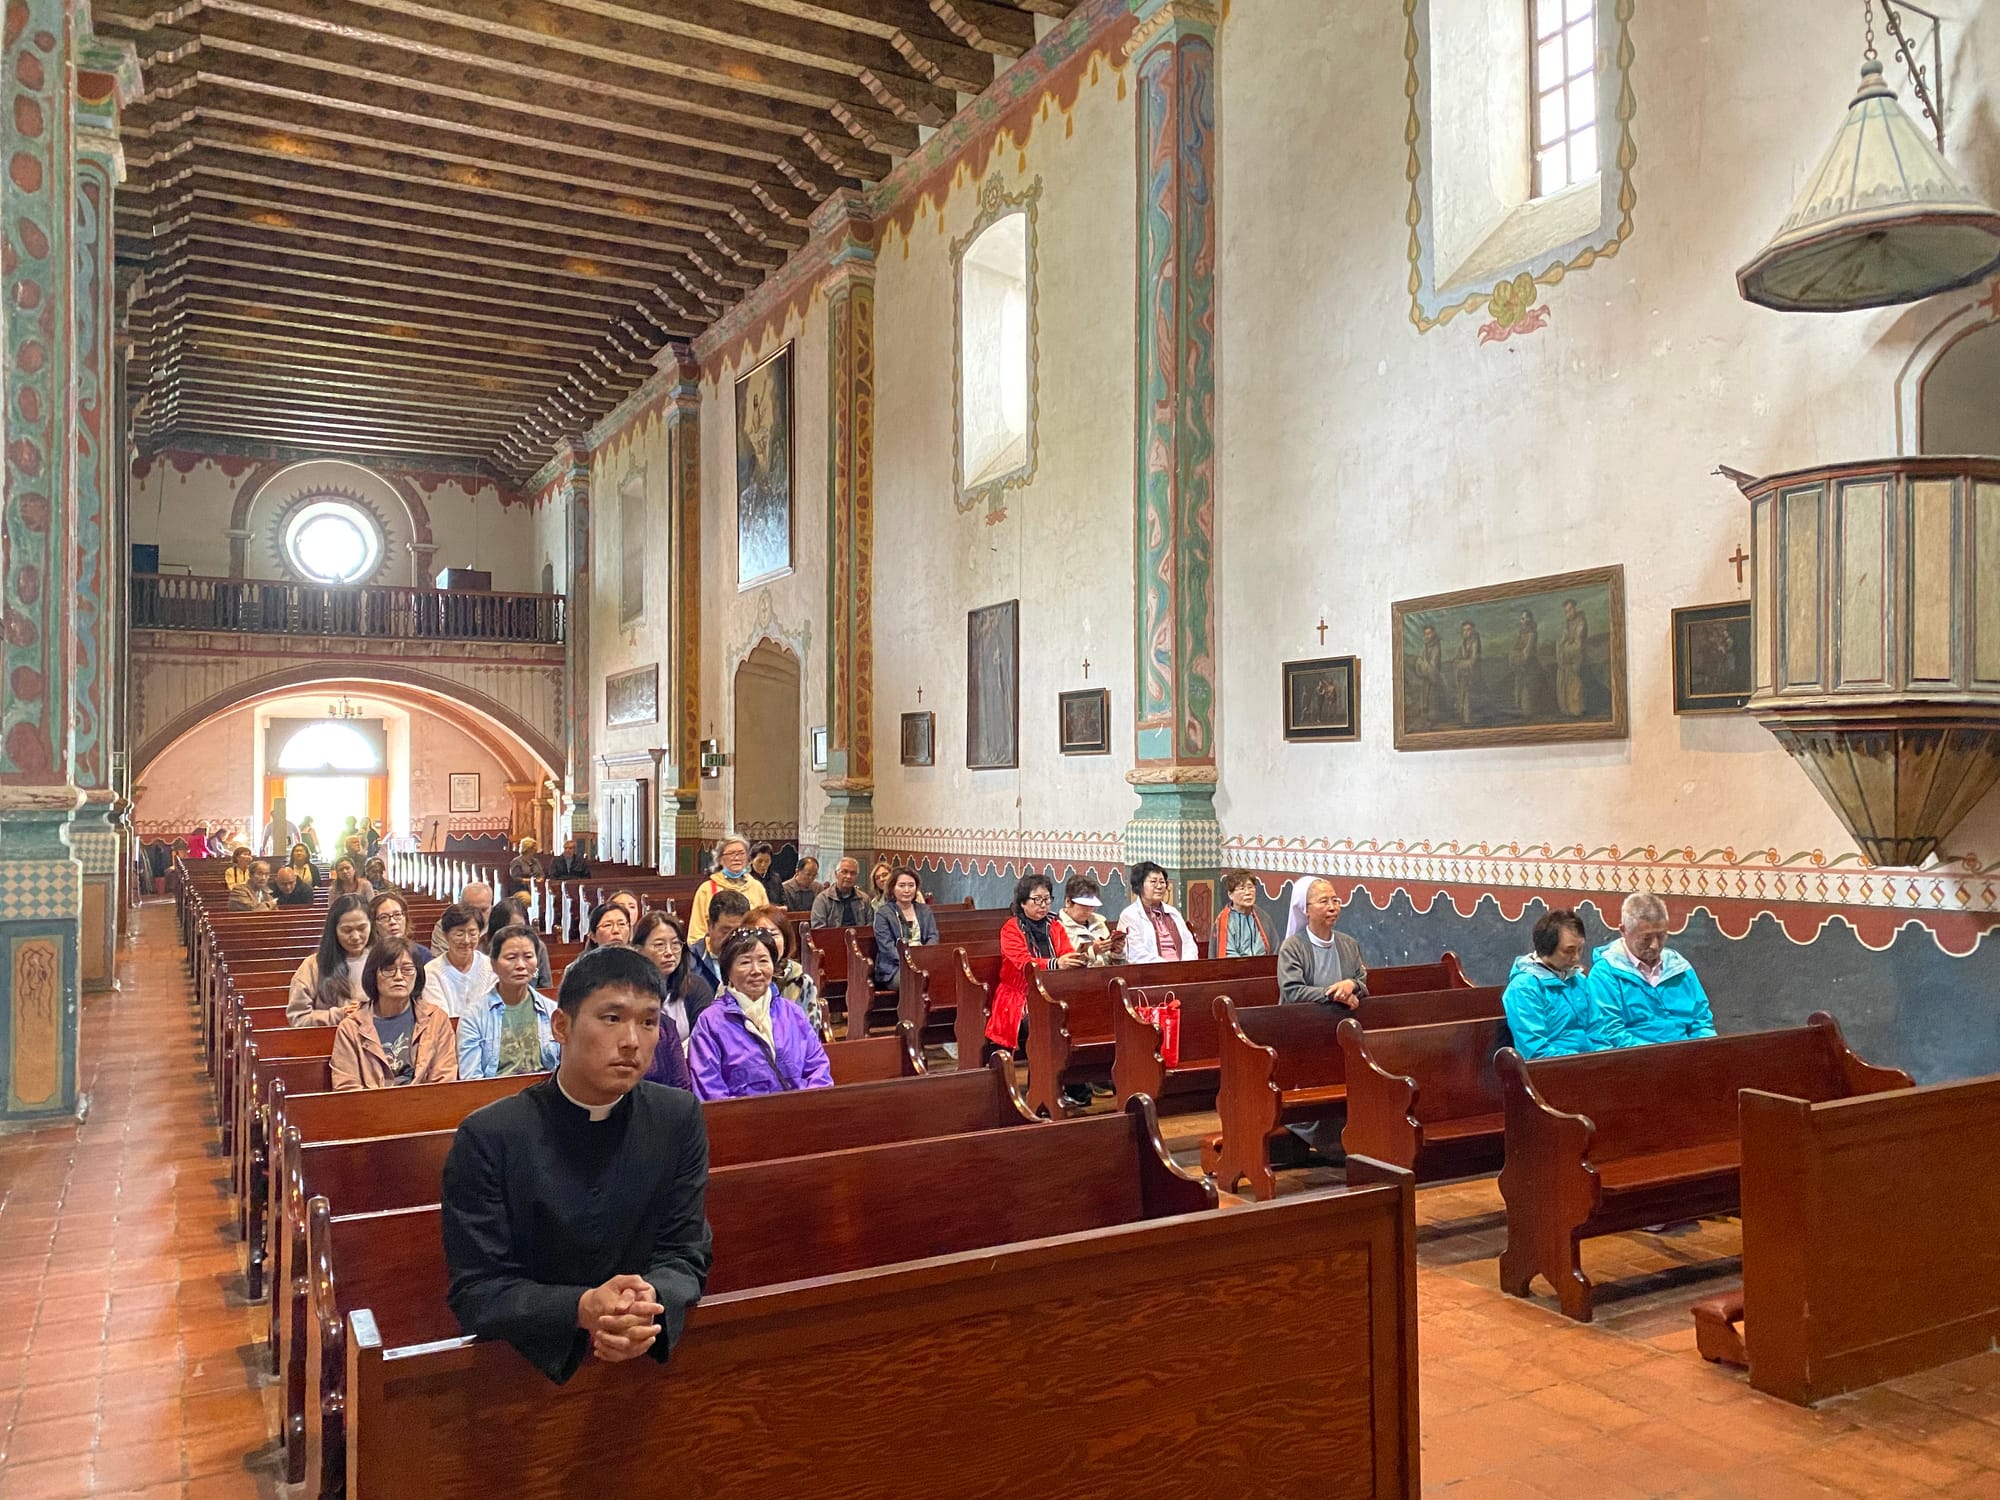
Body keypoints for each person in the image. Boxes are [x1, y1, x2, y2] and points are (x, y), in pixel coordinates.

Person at [440, 945, 713, 1384]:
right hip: (523, 1375)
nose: (632, 1040)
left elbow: (685, 1251)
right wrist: (581, 1308)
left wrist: (648, 1302)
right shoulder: (491, 1136)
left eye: (648, 1021)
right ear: (561, 1025)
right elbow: (479, 1291)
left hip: (648, 1356)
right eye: (611, 1017)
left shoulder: (676, 1117)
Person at [688, 929, 833, 1100]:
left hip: (801, 1116)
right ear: (728, 971)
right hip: (741, 1121)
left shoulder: (792, 1013)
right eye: (745, 962)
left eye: (763, 961)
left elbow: (818, 1069)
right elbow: (709, 1089)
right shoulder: (710, 1022)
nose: (756, 970)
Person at [1584, 892, 1715, 1049]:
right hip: (1636, 1060)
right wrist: (1660, 1056)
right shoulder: (1606, 973)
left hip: (1687, 1056)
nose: (1654, 945)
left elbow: (1701, 1021)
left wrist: (1705, 1049)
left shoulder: (1679, 967)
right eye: (1646, 938)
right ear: (1623, 930)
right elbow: (1611, 1033)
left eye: (1661, 936)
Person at [984, 873, 1085, 1070]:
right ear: (1022, 902)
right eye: (1037, 900)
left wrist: (1078, 959)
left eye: (1047, 900)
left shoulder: (1055, 925)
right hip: (1019, 996)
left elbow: (1066, 953)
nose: (1043, 905)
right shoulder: (1011, 928)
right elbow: (1023, 963)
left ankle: (1074, 1082)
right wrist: (1056, 964)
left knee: (1079, 1019)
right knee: (1043, 1025)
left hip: (1053, 992)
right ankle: (1043, 1083)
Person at [330, 937, 458, 1091]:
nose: (398, 977)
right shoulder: (351, 1028)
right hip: (371, 1111)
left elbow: (444, 1081)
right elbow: (347, 1089)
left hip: (426, 1109)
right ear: (373, 975)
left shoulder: (436, 1019)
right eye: (389, 970)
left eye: (407, 969)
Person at [459, 925, 561, 1080]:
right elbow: (471, 1079)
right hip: (496, 1098)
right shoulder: (474, 1016)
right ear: (493, 964)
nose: (520, 965)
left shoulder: (552, 1010)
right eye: (511, 958)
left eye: (528, 956)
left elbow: (565, 1066)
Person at [1502, 908, 1597, 1059]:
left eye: (1580, 949)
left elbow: (1598, 1030)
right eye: (1569, 951)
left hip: (1590, 1063)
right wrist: (1587, 1061)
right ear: (1547, 947)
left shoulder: (1579, 980)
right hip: (1554, 1070)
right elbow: (1535, 1051)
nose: (1576, 958)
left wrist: (1607, 1058)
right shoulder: (1524, 988)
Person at [633, 911, 708, 1087]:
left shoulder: (695, 987)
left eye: (675, 944)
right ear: (639, 949)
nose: (669, 952)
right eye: (659, 945)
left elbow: (704, 1039)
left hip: (691, 1071)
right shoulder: (629, 993)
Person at [1276, 879, 1368, 1008]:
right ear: (1305, 909)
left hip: (1345, 1019)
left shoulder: (1349, 944)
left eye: (1335, 901)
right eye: (1324, 901)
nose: (1332, 908)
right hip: (1303, 1020)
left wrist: (1351, 984)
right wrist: (1332, 994)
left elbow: (1361, 980)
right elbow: (1293, 991)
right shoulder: (1292, 947)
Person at [287, 894, 375, 1026]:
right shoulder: (314, 965)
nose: (356, 937)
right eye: (347, 930)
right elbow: (298, 1018)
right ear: (334, 930)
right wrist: (339, 1015)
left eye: (362, 928)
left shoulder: (381, 959)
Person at [747, 905, 826, 1040]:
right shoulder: (736, 981)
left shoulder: (802, 981)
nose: (769, 940)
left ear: (785, 939)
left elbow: (809, 1035)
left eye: (774, 934)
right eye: (761, 933)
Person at [685, 837, 768, 945]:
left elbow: (766, 924)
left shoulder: (757, 887)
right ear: (720, 859)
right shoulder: (706, 889)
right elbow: (696, 935)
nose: (736, 858)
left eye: (741, 853)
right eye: (731, 853)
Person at [1116, 862, 1198, 964]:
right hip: (1150, 973)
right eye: (1153, 882)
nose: (1159, 886)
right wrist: (1167, 968)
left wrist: (1185, 966)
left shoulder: (1173, 913)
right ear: (1140, 885)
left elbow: (1189, 945)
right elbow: (1136, 954)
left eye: (1162, 882)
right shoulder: (1130, 915)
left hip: (1182, 971)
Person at [427, 902, 497, 1021]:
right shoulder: (431, 972)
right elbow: (439, 1019)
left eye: (472, 933)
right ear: (445, 935)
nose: (466, 940)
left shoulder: (492, 967)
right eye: (459, 934)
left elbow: (494, 1012)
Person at [871, 867, 937, 990]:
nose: (907, 890)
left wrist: (924, 957)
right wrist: (910, 961)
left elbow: (932, 936)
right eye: (901, 885)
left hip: (923, 961)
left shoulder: (924, 910)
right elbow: (886, 946)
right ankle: (911, 1009)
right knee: (916, 980)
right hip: (895, 967)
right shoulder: (883, 913)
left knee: (940, 977)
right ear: (892, 888)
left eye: (911, 885)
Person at [688, 889, 749, 993]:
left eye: (738, 931)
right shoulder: (689, 961)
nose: (732, 938)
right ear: (710, 925)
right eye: (725, 931)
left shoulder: (753, 961)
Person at [1056, 874, 1122, 967]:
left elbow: (1112, 961)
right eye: (1083, 905)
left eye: (1091, 906)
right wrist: (1093, 952)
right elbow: (1068, 963)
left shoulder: (1099, 922)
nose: (1088, 910)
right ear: (1068, 901)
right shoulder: (1057, 926)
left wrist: (1116, 951)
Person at [369, 891, 434, 968]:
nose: (393, 922)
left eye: (397, 915)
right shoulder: (368, 955)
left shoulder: (422, 954)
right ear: (374, 923)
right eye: (384, 917)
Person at [1216, 870, 1273, 958]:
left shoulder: (1263, 917)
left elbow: (1274, 949)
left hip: (1263, 968)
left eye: (1250, 887)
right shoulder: (1223, 921)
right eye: (1242, 889)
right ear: (1230, 894)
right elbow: (1227, 956)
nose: (1248, 893)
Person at [809, 856, 872, 929]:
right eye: (844, 872)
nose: (848, 876)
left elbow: (870, 926)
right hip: (832, 939)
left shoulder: (864, 899)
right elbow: (819, 930)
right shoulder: (822, 899)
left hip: (860, 938)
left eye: (853, 873)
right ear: (836, 874)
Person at [429, 881, 493, 951]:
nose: (479, 915)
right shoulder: (446, 925)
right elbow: (444, 958)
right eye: (473, 910)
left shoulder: (499, 921)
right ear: (461, 905)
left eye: (483, 910)